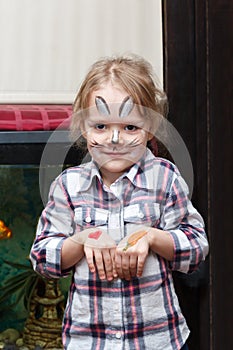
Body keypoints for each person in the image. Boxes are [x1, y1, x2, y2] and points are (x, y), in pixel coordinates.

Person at [30, 54, 209, 350]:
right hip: (89, 342)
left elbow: (196, 248)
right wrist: (83, 239)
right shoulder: (68, 186)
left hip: (159, 341)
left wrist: (151, 237)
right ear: (83, 126)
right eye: (100, 126)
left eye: (130, 128)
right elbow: (42, 257)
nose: (114, 139)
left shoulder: (165, 178)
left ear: (150, 127)